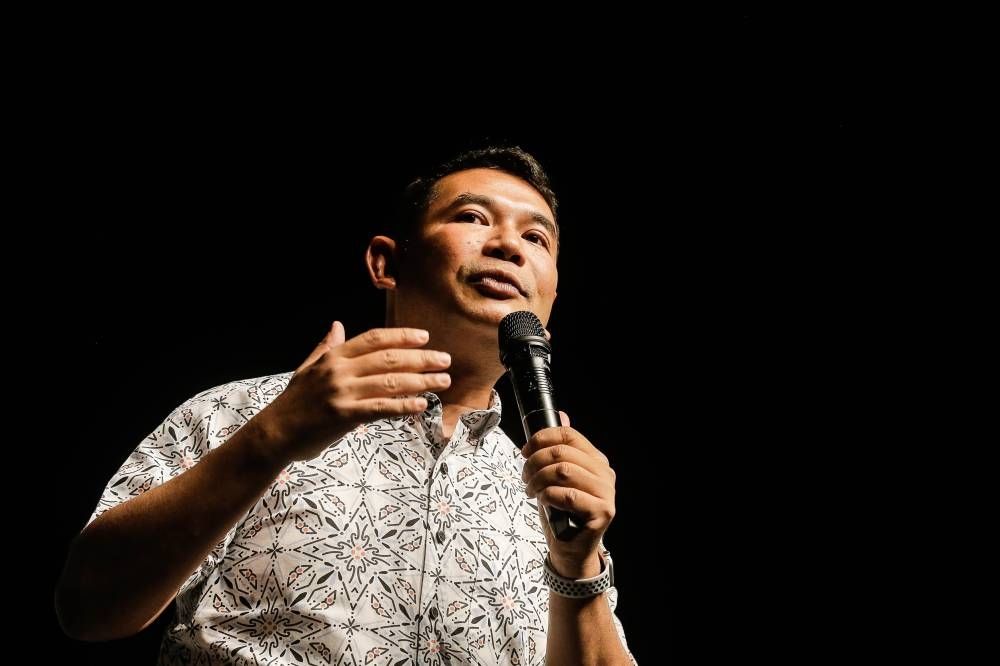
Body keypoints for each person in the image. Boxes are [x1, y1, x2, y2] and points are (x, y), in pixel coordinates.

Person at [55, 145, 635, 665]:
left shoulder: (551, 494)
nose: (508, 245)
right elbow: (86, 608)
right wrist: (273, 438)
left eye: (536, 238)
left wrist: (577, 566)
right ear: (387, 263)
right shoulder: (248, 412)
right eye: (472, 217)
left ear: (549, 304)